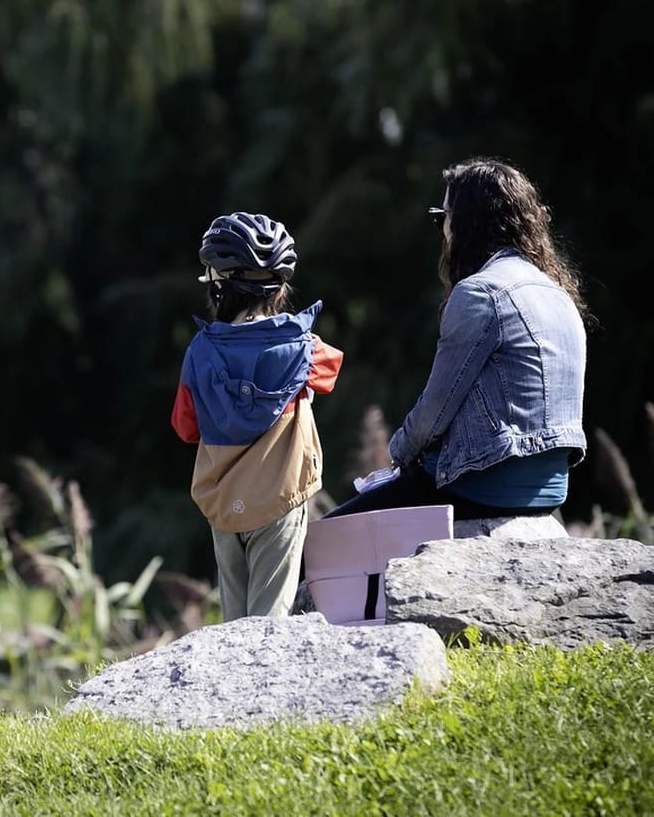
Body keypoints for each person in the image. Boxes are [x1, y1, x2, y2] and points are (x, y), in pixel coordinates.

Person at [326, 157, 589, 521]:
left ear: (466, 224)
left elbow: (435, 411)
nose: (442, 231)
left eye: (442, 218)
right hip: (551, 487)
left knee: (325, 539)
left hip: (486, 486)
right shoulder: (558, 293)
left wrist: (397, 454)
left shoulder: (480, 294)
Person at [171, 212, 343, 620]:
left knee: (236, 621)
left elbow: (185, 427)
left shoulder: (199, 353)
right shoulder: (307, 349)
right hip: (279, 501)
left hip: (224, 503)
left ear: (217, 287)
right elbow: (331, 371)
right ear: (280, 287)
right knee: (271, 620)